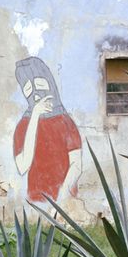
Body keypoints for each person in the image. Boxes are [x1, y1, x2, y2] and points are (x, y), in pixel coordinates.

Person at [13, 57, 82, 204]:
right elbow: (23, 166)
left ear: (49, 83)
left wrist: (61, 200)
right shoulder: (23, 126)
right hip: (36, 200)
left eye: (39, 85)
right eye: (28, 89)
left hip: (65, 201)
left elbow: (77, 165)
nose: (36, 95)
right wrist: (35, 116)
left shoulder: (66, 122)